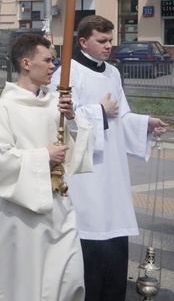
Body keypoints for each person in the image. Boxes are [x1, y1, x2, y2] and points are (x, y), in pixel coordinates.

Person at [50, 15, 168, 300]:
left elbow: (121, 117)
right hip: (84, 175)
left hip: (112, 174)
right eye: (101, 41)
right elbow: (60, 120)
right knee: (89, 248)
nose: (108, 46)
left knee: (114, 243)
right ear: (83, 42)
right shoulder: (67, 73)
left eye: (110, 40)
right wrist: (99, 111)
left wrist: (145, 122)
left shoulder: (113, 73)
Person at [0, 34, 94, 301]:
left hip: (59, 207)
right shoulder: (4, 109)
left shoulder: (55, 103)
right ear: (26, 63)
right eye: (47, 60)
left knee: (70, 279)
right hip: (23, 215)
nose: (53, 66)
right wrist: (43, 156)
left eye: (54, 60)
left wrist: (72, 118)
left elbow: (75, 151)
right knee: (26, 288)